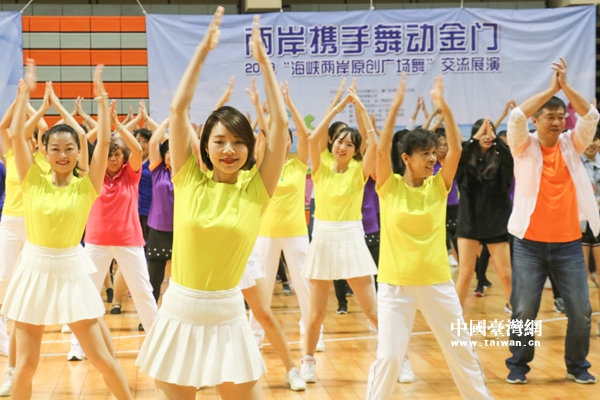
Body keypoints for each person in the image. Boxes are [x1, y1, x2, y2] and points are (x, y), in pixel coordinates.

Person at [135, 9, 289, 399]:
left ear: (249, 149)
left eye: (238, 142)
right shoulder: (187, 178)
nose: (229, 149)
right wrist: (202, 50)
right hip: (179, 312)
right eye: (219, 141)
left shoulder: (256, 190)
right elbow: (178, 111)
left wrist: (264, 62)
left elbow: (281, 128)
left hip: (228, 316)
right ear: (205, 146)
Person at [1, 60, 133, 400]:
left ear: (78, 152)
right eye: (55, 148)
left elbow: (104, 142)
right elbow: (15, 135)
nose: (62, 154)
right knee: (25, 366)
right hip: (33, 270)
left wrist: (101, 99)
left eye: (69, 148)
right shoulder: (32, 179)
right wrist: (25, 94)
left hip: (72, 272)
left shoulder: (87, 186)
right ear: (44, 151)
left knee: (101, 359)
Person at [365, 74, 492, 400]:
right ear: (406, 158)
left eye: (434, 153)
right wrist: (395, 107)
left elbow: (456, 149)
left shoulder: (439, 186)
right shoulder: (389, 187)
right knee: (389, 358)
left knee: (460, 350)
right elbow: (381, 148)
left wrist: (443, 106)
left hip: (437, 283)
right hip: (395, 286)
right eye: (425, 153)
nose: (433, 159)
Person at [505, 57, 599, 384]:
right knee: (524, 310)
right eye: (550, 116)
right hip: (528, 245)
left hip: (569, 245)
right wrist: (549, 90)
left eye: (561, 116)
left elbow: (592, 116)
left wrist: (566, 87)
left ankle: (577, 366)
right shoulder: (523, 145)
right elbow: (516, 117)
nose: (557, 122)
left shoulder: (572, 144)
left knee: (581, 311)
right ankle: (518, 365)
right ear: (537, 120)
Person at [300, 84, 379, 383]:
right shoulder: (319, 167)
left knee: (372, 311)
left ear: (356, 151)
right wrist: (336, 107)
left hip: (351, 239)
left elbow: (374, 143)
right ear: (332, 143)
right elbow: (312, 138)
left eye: (350, 144)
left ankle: (399, 358)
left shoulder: (360, 170)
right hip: (322, 239)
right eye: (340, 141)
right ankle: (308, 360)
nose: (343, 147)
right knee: (316, 314)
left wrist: (359, 107)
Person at [249, 81, 315, 350]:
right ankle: (255, 336)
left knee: (305, 286)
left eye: (286, 137)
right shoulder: (264, 164)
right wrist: (260, 109)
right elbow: (262, 138)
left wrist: (288, 104)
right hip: (265, 234)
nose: (283, 140)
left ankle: (312, 332)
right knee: (261, 288)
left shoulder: (299, 164)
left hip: (296, 233)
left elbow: (306, 135)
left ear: (290, 141)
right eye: (278, 137)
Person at [454, 118, 513, 311]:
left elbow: (510, 160)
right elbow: (460, 157)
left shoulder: (501, 158)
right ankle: (453, 318)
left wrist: (497, 140)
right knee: (465, 273)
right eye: (482, 133)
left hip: (496, 222)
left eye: (490, 132)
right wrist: (474, 140)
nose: (487, 136)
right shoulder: (465, 161)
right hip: (469, 222)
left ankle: (516, 313)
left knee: (506, 274)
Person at [145, 118, 173, 304]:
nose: (171, 155)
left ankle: (176, 312)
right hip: (158, 230)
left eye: (175, 151)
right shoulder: (159, 171)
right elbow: (154, 142)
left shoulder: (189, 171)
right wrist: (168, 121)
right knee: (154, 277)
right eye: (168, 151)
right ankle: (151, 313)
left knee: (181, 278)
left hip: (182, 230)